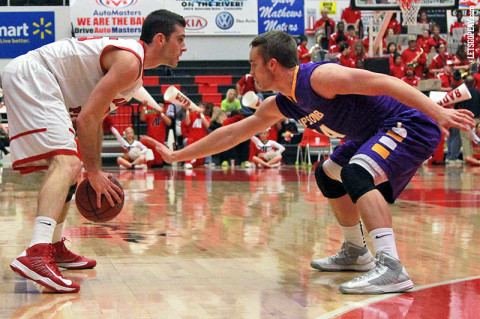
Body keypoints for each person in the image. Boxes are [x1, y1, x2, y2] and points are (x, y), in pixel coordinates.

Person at [145, 30, 474, 294]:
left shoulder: (320, 77)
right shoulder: (283, 103)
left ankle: (391, 267)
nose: (250, 72)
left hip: (409, 122)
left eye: (253, 64)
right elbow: (232, 135)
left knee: (357, 173)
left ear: (272, 64)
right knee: (329, 175)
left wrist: (438, 110)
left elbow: (386, 82)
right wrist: (177, 155)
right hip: (372, 132)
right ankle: (356, 252)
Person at [1, 9, 187, 293]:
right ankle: (36, 253)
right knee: (66, 163)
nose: (185, 47)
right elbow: (86, 118)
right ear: (161, 39)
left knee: (72, 167)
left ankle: (53, 245)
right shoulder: (130, 62)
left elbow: (95, 119)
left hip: (43, 81)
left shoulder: (133, 76)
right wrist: (96, 172)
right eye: (181, 39)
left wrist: (90, 169)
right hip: (36, 74)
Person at [139, 100, 172, 168]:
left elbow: (169, 123)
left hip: (159, 142)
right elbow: (142, 118)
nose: (159, 108)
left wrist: (161, 114)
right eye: (158, 106)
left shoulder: (164, 115)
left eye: (161, 106)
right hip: (150, 140)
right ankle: (142, 161)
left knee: (158, 164)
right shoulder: (151, 113)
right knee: (141, 143)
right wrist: (144, 107)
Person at [457, 76, 480, 165]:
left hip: (465, 118)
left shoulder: (462, 93)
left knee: (465, 139)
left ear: (465, 83)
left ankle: (467, 158)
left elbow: (457, 106)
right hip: (476, 118)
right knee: (476, 139)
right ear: (474, 83)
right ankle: (476, 157)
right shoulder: (478, 93)